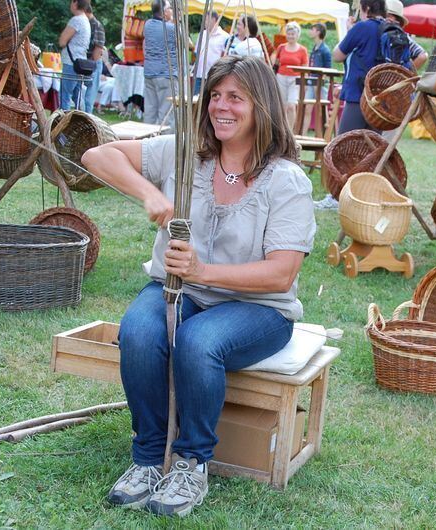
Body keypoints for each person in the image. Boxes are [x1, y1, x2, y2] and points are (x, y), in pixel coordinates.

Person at [82, 55, 315, 517]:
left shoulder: (287, 180)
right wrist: (150, 193)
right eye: (214, 95)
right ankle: (149, 459)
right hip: (179, 290)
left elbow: (280, 273)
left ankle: (190, 463)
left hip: (260, 308)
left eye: (235, 97)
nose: (220, 107)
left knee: (197, 341)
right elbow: (96, 154)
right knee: (140, 332)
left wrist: (202, 272)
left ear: (261, 106)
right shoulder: (185, 152)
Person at [332, 0, 387, 134]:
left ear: (367, 8)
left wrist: (350, 32)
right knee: (371, 148)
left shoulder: (362, 27)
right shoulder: (390, 28)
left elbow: (338, 55)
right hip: (381, 100)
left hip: (358, 95)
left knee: (343, 145)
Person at [143, 0, 178, 127]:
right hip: (166, 74)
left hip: (149, 72)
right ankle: (164, 143)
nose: (171, 11)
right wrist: (174, 21)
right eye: (169, 8)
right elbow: (187, 44)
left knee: (150, 112)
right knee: (166, 114)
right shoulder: (170, 28)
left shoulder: (147, 24)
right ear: (164, 12)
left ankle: (145, 141)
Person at [271, 21, 308, 130]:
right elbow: (275, 62)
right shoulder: (281, 47)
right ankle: (281, 130)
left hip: (295, 79)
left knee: (291, 106)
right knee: (281, 106)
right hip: (281, 77)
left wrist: (304, 83)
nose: (291, 36)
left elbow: (305, 67)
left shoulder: (302, 50)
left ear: (298, 35)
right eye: (289, 33)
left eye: (293, 34)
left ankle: (290, 132)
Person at [58, 0, 91, 111]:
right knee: (78, 97)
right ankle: (82, 120)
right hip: (80, 64)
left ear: (75, 3)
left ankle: (63, 122)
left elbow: (62, 41)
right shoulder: (85, 19)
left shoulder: (76, 20)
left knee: (65, 96)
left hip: (71, 63)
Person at [193, 10, 229, 95]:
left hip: (214, 76)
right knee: (197, 102)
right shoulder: (201, 34)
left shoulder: (225, 36)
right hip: (199, 75)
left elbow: (226, 57)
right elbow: (196, 53)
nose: (204, 22)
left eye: (206, 19)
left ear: (213, 19)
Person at [385, 0, 427, 71]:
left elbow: (422, 56)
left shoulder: (401, 36)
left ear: (397, 20)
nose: (384, 19)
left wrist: (406, 74)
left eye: (388, 16)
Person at [82, 4, 106, 114]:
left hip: (93, 63)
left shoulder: (97, 25)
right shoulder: (85, 23)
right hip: (85, 62)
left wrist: (93, 64)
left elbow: (98, 48)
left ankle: (88, 116)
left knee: (89, 96)